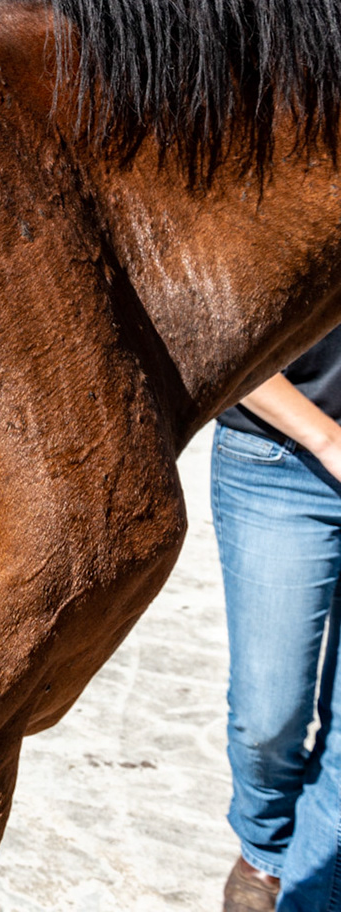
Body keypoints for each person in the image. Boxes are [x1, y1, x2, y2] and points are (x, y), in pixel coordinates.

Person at [215, 325, 341, 912]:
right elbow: (213, 328)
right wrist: (326, 438)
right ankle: (265, 851)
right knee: (269, 719)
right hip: (277, 463)